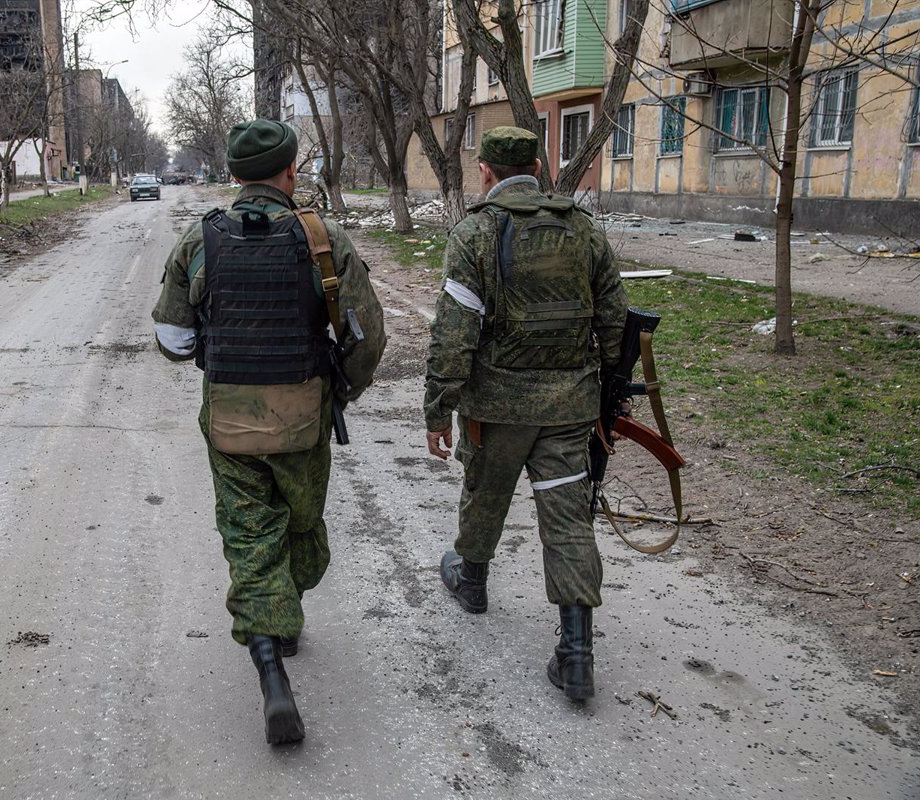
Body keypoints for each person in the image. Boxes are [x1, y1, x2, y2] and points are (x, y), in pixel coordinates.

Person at [152, 119, 386, 743]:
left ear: (232, 176)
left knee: (249, 532)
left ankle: (270, 644)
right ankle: (279, 637)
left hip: (229, 417)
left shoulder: (199, 241)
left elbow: (172, 340)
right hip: (304, 416)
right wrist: (341, 390)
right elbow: (368, 337)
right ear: (290, 174)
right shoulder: (322, 239)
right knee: (302, 519)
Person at [423, 126, 628, 702]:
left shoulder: (475, 232)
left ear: (485, 171)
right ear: (537, 167)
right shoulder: (582, 227)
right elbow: (614, 314)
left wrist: (439, 406)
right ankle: (577, 652)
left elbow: (454, 333)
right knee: (567, 517)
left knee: (486, 490)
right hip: (569, 408)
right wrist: (603, 388)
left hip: (498, 406)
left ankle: (472, 579)